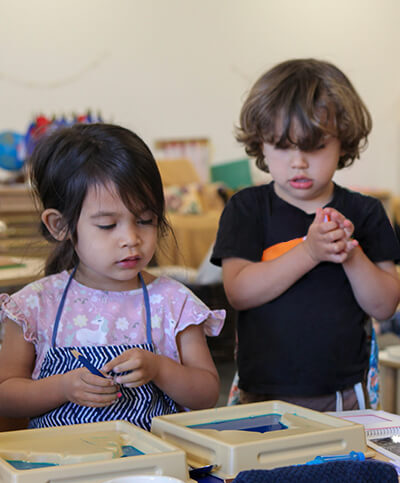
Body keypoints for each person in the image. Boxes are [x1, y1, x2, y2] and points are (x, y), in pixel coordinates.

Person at [0, 123, 225, 430]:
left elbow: (207, 394)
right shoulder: (34, 306)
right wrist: (61, 388)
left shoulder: (174, 303)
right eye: (107, 225)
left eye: (144, 220)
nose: (131, 238)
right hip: (60, 469)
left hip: (151, 470)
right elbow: (6, 396)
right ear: (59, 225)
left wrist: (159, 368)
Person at [211, 58, 400, 411]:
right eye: (283, 146)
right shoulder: (247, 208)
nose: (298, 162)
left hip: (345, 393)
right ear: (261, 145)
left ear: (343, 143)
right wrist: (310, 252)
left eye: (313, 146)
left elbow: (384, 304)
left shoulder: (366, 212)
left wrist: (351, 254)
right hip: (262, 391)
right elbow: (239, 292)